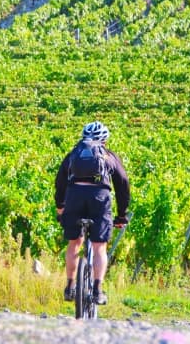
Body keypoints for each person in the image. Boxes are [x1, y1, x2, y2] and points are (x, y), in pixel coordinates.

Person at [54, 121, 130, 305]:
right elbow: (122, 184)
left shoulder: (74, 154)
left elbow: (60, 181)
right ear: (104, 140)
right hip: (99, 198)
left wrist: (60, 208)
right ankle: (97, 290)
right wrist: (121, 215)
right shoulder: (108, 155)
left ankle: (70, 286)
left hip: (74, 196)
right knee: (99, 247)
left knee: (74, 243)